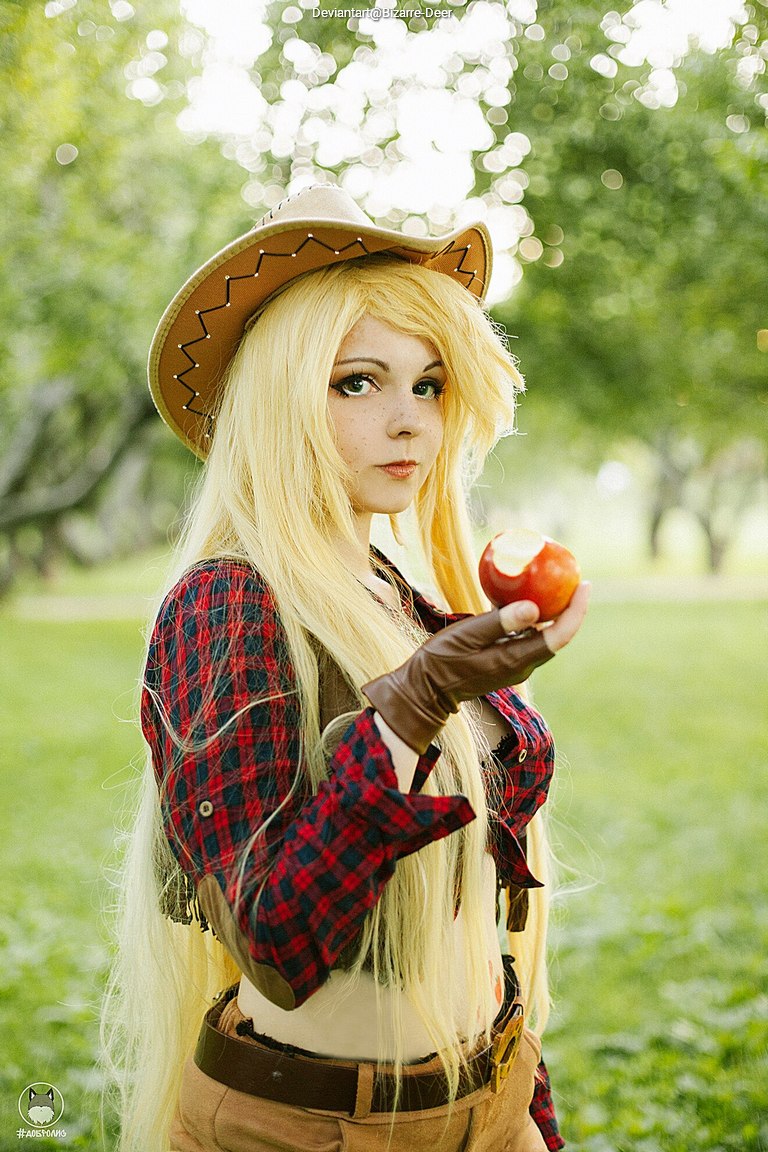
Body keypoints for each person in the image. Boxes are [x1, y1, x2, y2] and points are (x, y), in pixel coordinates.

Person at [101, 183, 589, 1152]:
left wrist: (521, 1100)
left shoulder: (396, 595)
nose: (409, 420)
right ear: (283, 397)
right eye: (357, 382)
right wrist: (415, 703)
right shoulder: (225, 604)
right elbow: (276, 936)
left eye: (430, 383)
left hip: (487, 1096)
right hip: (320, 1126)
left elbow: (481, 887)